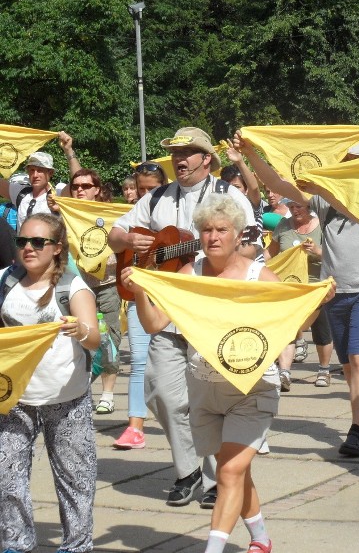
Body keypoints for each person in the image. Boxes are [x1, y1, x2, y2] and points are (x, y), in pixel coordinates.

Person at [122, 194, 285, 553]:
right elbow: (154, 324)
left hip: (252, 389)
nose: (213, 236)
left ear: (239, 234)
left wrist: (316, 301)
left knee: (227, 472)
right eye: (207, 229)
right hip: (204, 389)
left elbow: (293, 322)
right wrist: (141, 293)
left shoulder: (260, 276)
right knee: (237, 471)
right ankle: (261, 539)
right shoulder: (189, 273)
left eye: (221, 229)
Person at [108, 127, 257, 507]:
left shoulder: (230, 194)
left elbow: (253, 242)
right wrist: (131, 243)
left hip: (209, 310)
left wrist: (223, 250)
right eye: (175, 152)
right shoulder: (157, 195)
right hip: (164, 307)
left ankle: (211, 480)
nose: (179, 159)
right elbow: (115, 233)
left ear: (206, 158)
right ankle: (189, 470)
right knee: (159, 390)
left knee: (208, 399)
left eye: (187, 152)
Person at [235, 126, 359, 458]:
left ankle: (356, 431)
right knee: (348, 365)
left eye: (357, 161)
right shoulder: (322, 198)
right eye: (346, 160)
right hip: (334, 290)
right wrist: (250, 153)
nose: (351, 166)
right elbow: (277, 185)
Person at [0, 213, 99, 553]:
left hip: (66, 397)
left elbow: (95, 338)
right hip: (15, 399)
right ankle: (15, 543)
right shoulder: (4, 282)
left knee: (75, 480)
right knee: (6, 477)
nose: (28, 248)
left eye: (38, 242)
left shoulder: (72, 286)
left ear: (57, 248)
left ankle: (76, 546)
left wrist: (80, 330)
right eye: (22, 241)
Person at [59, 168, 123, 416]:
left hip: (107, 285)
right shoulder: (66, 214)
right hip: (77, 287)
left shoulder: (112, 215)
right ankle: (79, 390)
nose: (81, 190)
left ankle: (107, 394)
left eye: (87, 186)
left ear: (98, 189)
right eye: (76, 187)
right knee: (78, 339)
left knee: (110, 341)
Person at [113, 161, 168, 450]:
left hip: (177, 297)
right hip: (139, 295)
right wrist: (128, 239)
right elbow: (113, 239)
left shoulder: (178, 210)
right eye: (140, 189)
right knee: (138, 361)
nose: (145, 194)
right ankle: (135, 426)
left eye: (152, 189)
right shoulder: (133, 216)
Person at [266, 199, 333, 389]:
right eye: (291, 207)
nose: (294, 211)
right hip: (291, 287)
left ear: (309, 207)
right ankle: (285, 372)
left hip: (315, 286)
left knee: (322, 330)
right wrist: (256, 264)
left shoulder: (321, 225)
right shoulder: (283, 226)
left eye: (299, 207)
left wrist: (318, 251)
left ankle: (324, 369)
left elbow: (335, 254)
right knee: (289, 328)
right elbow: (271, 253)